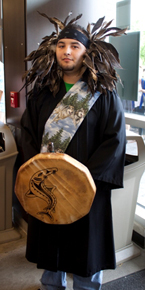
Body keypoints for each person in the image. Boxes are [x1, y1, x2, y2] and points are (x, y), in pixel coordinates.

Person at [20, 12, 127, 290]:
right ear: (54, 49)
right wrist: (39, 171)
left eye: (75, 46)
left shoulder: (104, 92)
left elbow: (114, 139)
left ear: (87, 52)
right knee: (51, 246)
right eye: (62, 45)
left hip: (86, 189)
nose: (67, 51)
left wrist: (81, 179)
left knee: (86, 249)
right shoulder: (42, 90)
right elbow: (29, 134)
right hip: (48, 186)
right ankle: (52, 286)